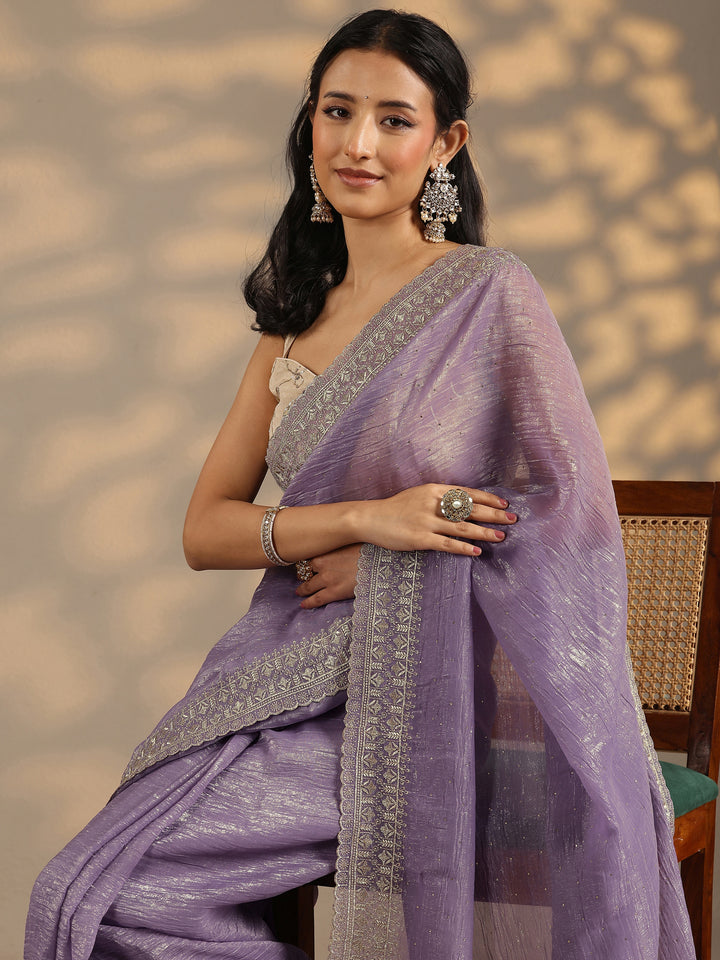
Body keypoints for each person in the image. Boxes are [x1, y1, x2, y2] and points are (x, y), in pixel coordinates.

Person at [25, 9, 694, 960]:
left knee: (124, 892)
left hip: (421, 694)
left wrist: (391, 566)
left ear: (446, 144)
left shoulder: (488, 291)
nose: (359, 145)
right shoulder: (291, 318)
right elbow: (205, 530)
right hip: (271, 678)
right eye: (337, 112)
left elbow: (572, 520)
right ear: (310, 124)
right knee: (82, 890)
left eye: (394, 120)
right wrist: (368, 521)